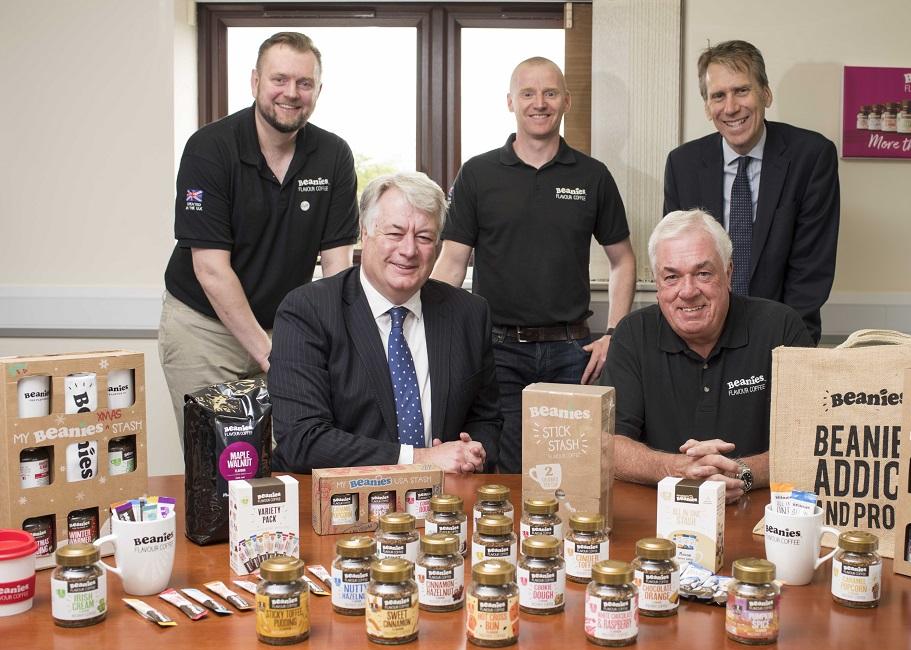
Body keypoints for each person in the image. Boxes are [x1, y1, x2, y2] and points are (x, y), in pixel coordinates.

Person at [432, 56, 636, 473]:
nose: (539, 103)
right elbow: (451, 263)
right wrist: (432, 332)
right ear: (511, 101)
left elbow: (623, 260)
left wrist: (615, 332)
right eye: (528, 93)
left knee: (573, 471)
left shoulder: (593, 176)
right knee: (503, 468)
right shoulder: (478, 173)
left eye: (550, 93)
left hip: (572, 354)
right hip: (497, 351)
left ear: (567, 101)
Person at [159, 32, 359, 440]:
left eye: (304, 83)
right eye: (279, 79)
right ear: (255, 82)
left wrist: (334, 347)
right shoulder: (209, 149)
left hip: (284, 327)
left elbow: (338, 265)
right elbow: (211, 270)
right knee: (222, 463)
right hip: (206, 329)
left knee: (288, 453)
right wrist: (273, 356)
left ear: (318, 90)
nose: (291, 93)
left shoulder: (333, 155)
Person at [268, 172, 502, 474]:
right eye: (395, 233)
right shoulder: (308, 311)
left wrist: (473, 451)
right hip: (339, 505)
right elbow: (301, 440)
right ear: (364, 233)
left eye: (424, 237)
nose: (408, 250)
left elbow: (487, 418)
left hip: (444, 502)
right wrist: (419, 460)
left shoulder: (469, 313)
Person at [601, 209, 814, 502]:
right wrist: (676, 469)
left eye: (703, 273)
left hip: (762, 511)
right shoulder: (632, 335)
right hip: (659, 511)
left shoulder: (781, 328)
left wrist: (742, 473)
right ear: (658, 284)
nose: (687, 292)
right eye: (672, 277)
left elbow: (811, 443)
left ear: (728, 274)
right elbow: (608, 444)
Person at [662, 40, 839, 344]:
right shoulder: (683, 164)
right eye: (718, 96)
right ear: (707, 107)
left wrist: (784, 346)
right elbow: (678, 263)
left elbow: (811, 269)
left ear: (766, 94)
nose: (731, 108)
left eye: (741, 91)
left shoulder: (811, 157)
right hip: (702, 337)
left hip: (784, 333)